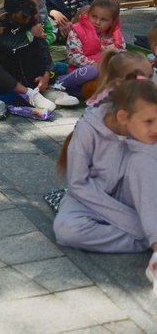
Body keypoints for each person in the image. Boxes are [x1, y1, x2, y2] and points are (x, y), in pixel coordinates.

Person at [52, 78, 157, 293]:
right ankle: (148, 238)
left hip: (137, 201)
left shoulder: (148, 137)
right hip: (91, 198)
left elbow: (148, 192)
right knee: (66, 230)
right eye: (148, 122)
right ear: (123, 117)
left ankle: (152, 237)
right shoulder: (88, 129)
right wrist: (136, 227)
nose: (155, 128)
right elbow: (77, 183)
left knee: (143, 162)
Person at [0, 0, 78, 110]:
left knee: (54, 64)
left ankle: (46, 87)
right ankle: (28, 94)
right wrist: (30, 34)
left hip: (28, 74)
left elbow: (43, 50)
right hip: (5, 76)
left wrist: (46, 73)